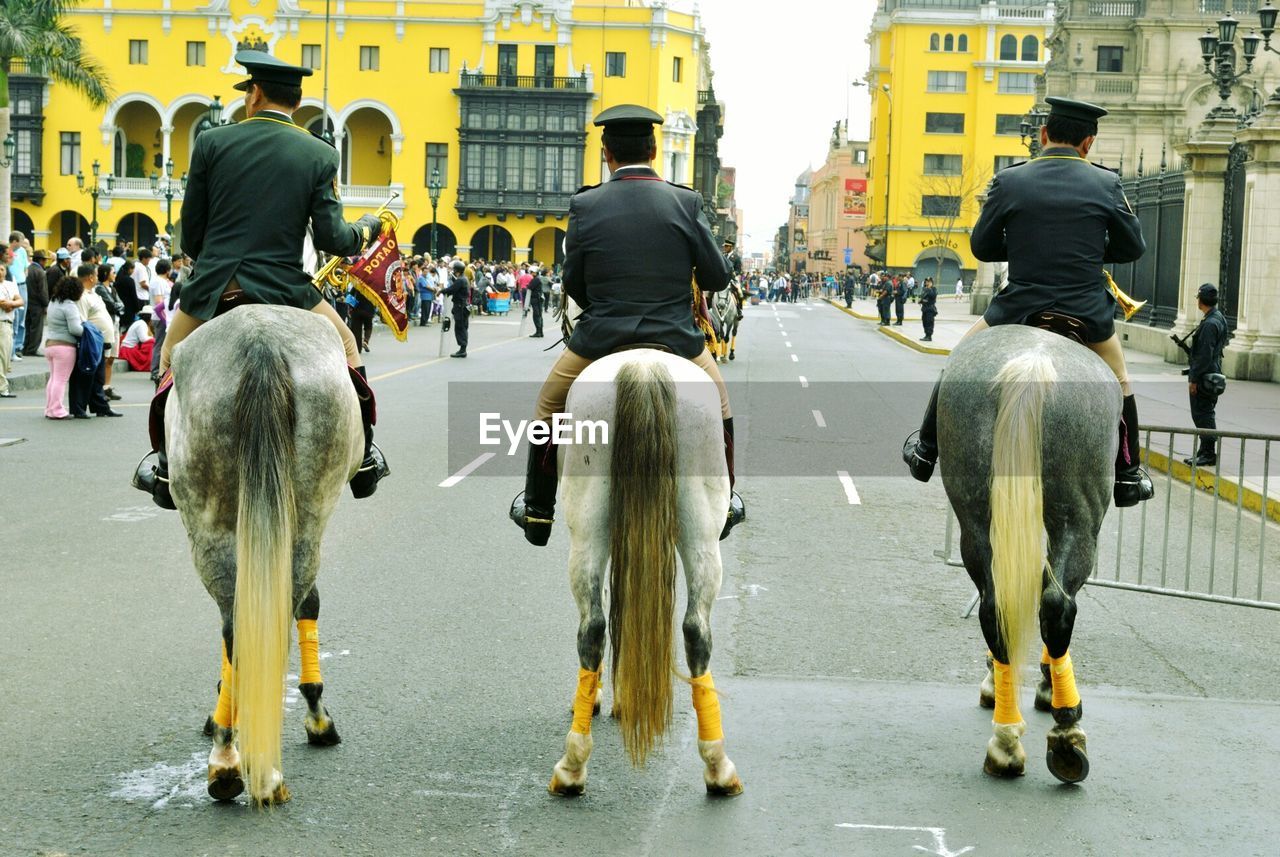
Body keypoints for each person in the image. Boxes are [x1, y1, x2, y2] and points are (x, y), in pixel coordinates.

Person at [133, 50, 389, 508]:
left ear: (254, 94)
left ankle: (163, 464)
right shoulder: (319, 153)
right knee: (348, 344)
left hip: (216, 286)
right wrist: (369, 227)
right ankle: (366, 456)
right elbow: (334, 238)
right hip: (285, 290)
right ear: (297, 100)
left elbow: (191, 234)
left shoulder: (212, 143)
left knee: (170, 357)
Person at [508, 103, 744, 546]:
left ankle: (539, 511)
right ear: (654, 149)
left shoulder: (584, 204)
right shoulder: (685, 200)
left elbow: (575, 284)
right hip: (677, 340)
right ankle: (727, 500)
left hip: (600, 341)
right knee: (722, 408)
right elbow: (716, 277)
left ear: (606, 152)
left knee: (545, 410)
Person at [902, 96, 1153, 507]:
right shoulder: (1106, 184)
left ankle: (926, 450)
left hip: (1018, 308)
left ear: (1042, 135)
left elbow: (982, 247)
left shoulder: (1010, 180)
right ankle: (1127, 476)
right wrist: (1089, 248)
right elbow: (1134, 246)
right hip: (1086, 314)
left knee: (958, 361)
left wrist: (1022, 244)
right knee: (1121, 381)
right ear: (1088, 143)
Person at [1183, 283, 1228, 467]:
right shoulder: (1218, 318)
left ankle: (1208, 453)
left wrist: (1194, 380)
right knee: (1205, 412)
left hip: (1205, 376)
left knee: (1202, 414)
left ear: (1201, 300)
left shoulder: (1210, 324)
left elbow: (1203, 355)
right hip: (1212, 372)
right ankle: (1204, 450)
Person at [72, 263, 122, 418]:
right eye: (95, 273)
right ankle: (79, 408)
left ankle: (100, 406)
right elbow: (82, 320)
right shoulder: (81, 296)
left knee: (98, 377)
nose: (98, 276)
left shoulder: (94, 293)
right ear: (90, 277)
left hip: (100, 341)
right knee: (86, 376)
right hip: (91, 341)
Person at [43, 270, 87, 418]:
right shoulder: (69, 306)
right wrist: (86, 330)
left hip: (50, 345)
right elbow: (75, 329)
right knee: (61, 380)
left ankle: (49, 408)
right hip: (65, 347)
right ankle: (57, 410)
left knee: (53, 378)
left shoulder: (53, 302)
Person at [96, 263, 125, 400]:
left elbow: (120, 304)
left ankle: (107, 386)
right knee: (105, 357)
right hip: (107, 324)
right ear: (106, 273)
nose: (115, 274)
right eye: (113, 272)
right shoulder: (100, 289)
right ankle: (100, 387)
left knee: (112, 356)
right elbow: (112, 305)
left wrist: (117, 306)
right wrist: (117, 306)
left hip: (116, 323)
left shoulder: (112, 288)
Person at [22, 248, 50, 356]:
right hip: (37, 304)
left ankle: (26, 347)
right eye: (45, 260)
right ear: (41, 260)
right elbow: (43, 291)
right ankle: (32, 349)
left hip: (27, 302)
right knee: (37, 328)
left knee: (28, 326)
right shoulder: (40, 272)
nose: (46, 262)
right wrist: (46, 304)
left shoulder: (28, 269)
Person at [0, 250, 21, 398]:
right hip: (1, 322)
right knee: (2, 356)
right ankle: (3, 388)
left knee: (6, 356)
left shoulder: (10, 284)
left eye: (2, 269)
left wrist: (12, 303)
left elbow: (20, 300)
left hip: (9, 322)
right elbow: (3, 304)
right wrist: (13, 303)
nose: (0, 271)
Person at [443, 259, 471, 357]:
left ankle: (462, 349)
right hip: (463, 305)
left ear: (457, 270)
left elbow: (452, 289)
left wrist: (441, 291)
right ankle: (463, 348)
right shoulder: (464, 278)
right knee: (463, 326)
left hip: (460, 306)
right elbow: (456, 286)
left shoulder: (460, 280)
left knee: (460, 327)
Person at [120, 304, 156, 371]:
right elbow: (144, 339)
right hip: (128, 350)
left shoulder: (141, 323)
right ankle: (147, 365)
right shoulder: (141, 324)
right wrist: (154, 339)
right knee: (151, 343)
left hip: (129, 348)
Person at [527, 265, 547, 338]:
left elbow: (530, 287)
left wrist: (528, 285)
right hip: (538, 299)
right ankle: (540, 332)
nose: (531, 273)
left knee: (536, 315)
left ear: (535, 273)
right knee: (539, 315)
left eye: (532, 272)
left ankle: (538, 331)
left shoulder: (536, 279)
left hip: (536, 299)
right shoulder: (538, 279)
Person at [919, 277, 938, 342]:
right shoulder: (925, 289)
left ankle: (929, 336)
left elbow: (933, 295)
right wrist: (921, 300)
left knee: (929, 322)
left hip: (930, 308)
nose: (927, 282)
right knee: (924, 322)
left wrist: (929, 288)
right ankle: (926, 335)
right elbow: (922, 296)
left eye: (928, 281)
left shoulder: (933, 289)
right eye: (926, 281)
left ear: (931, 282)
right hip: (924, 308)